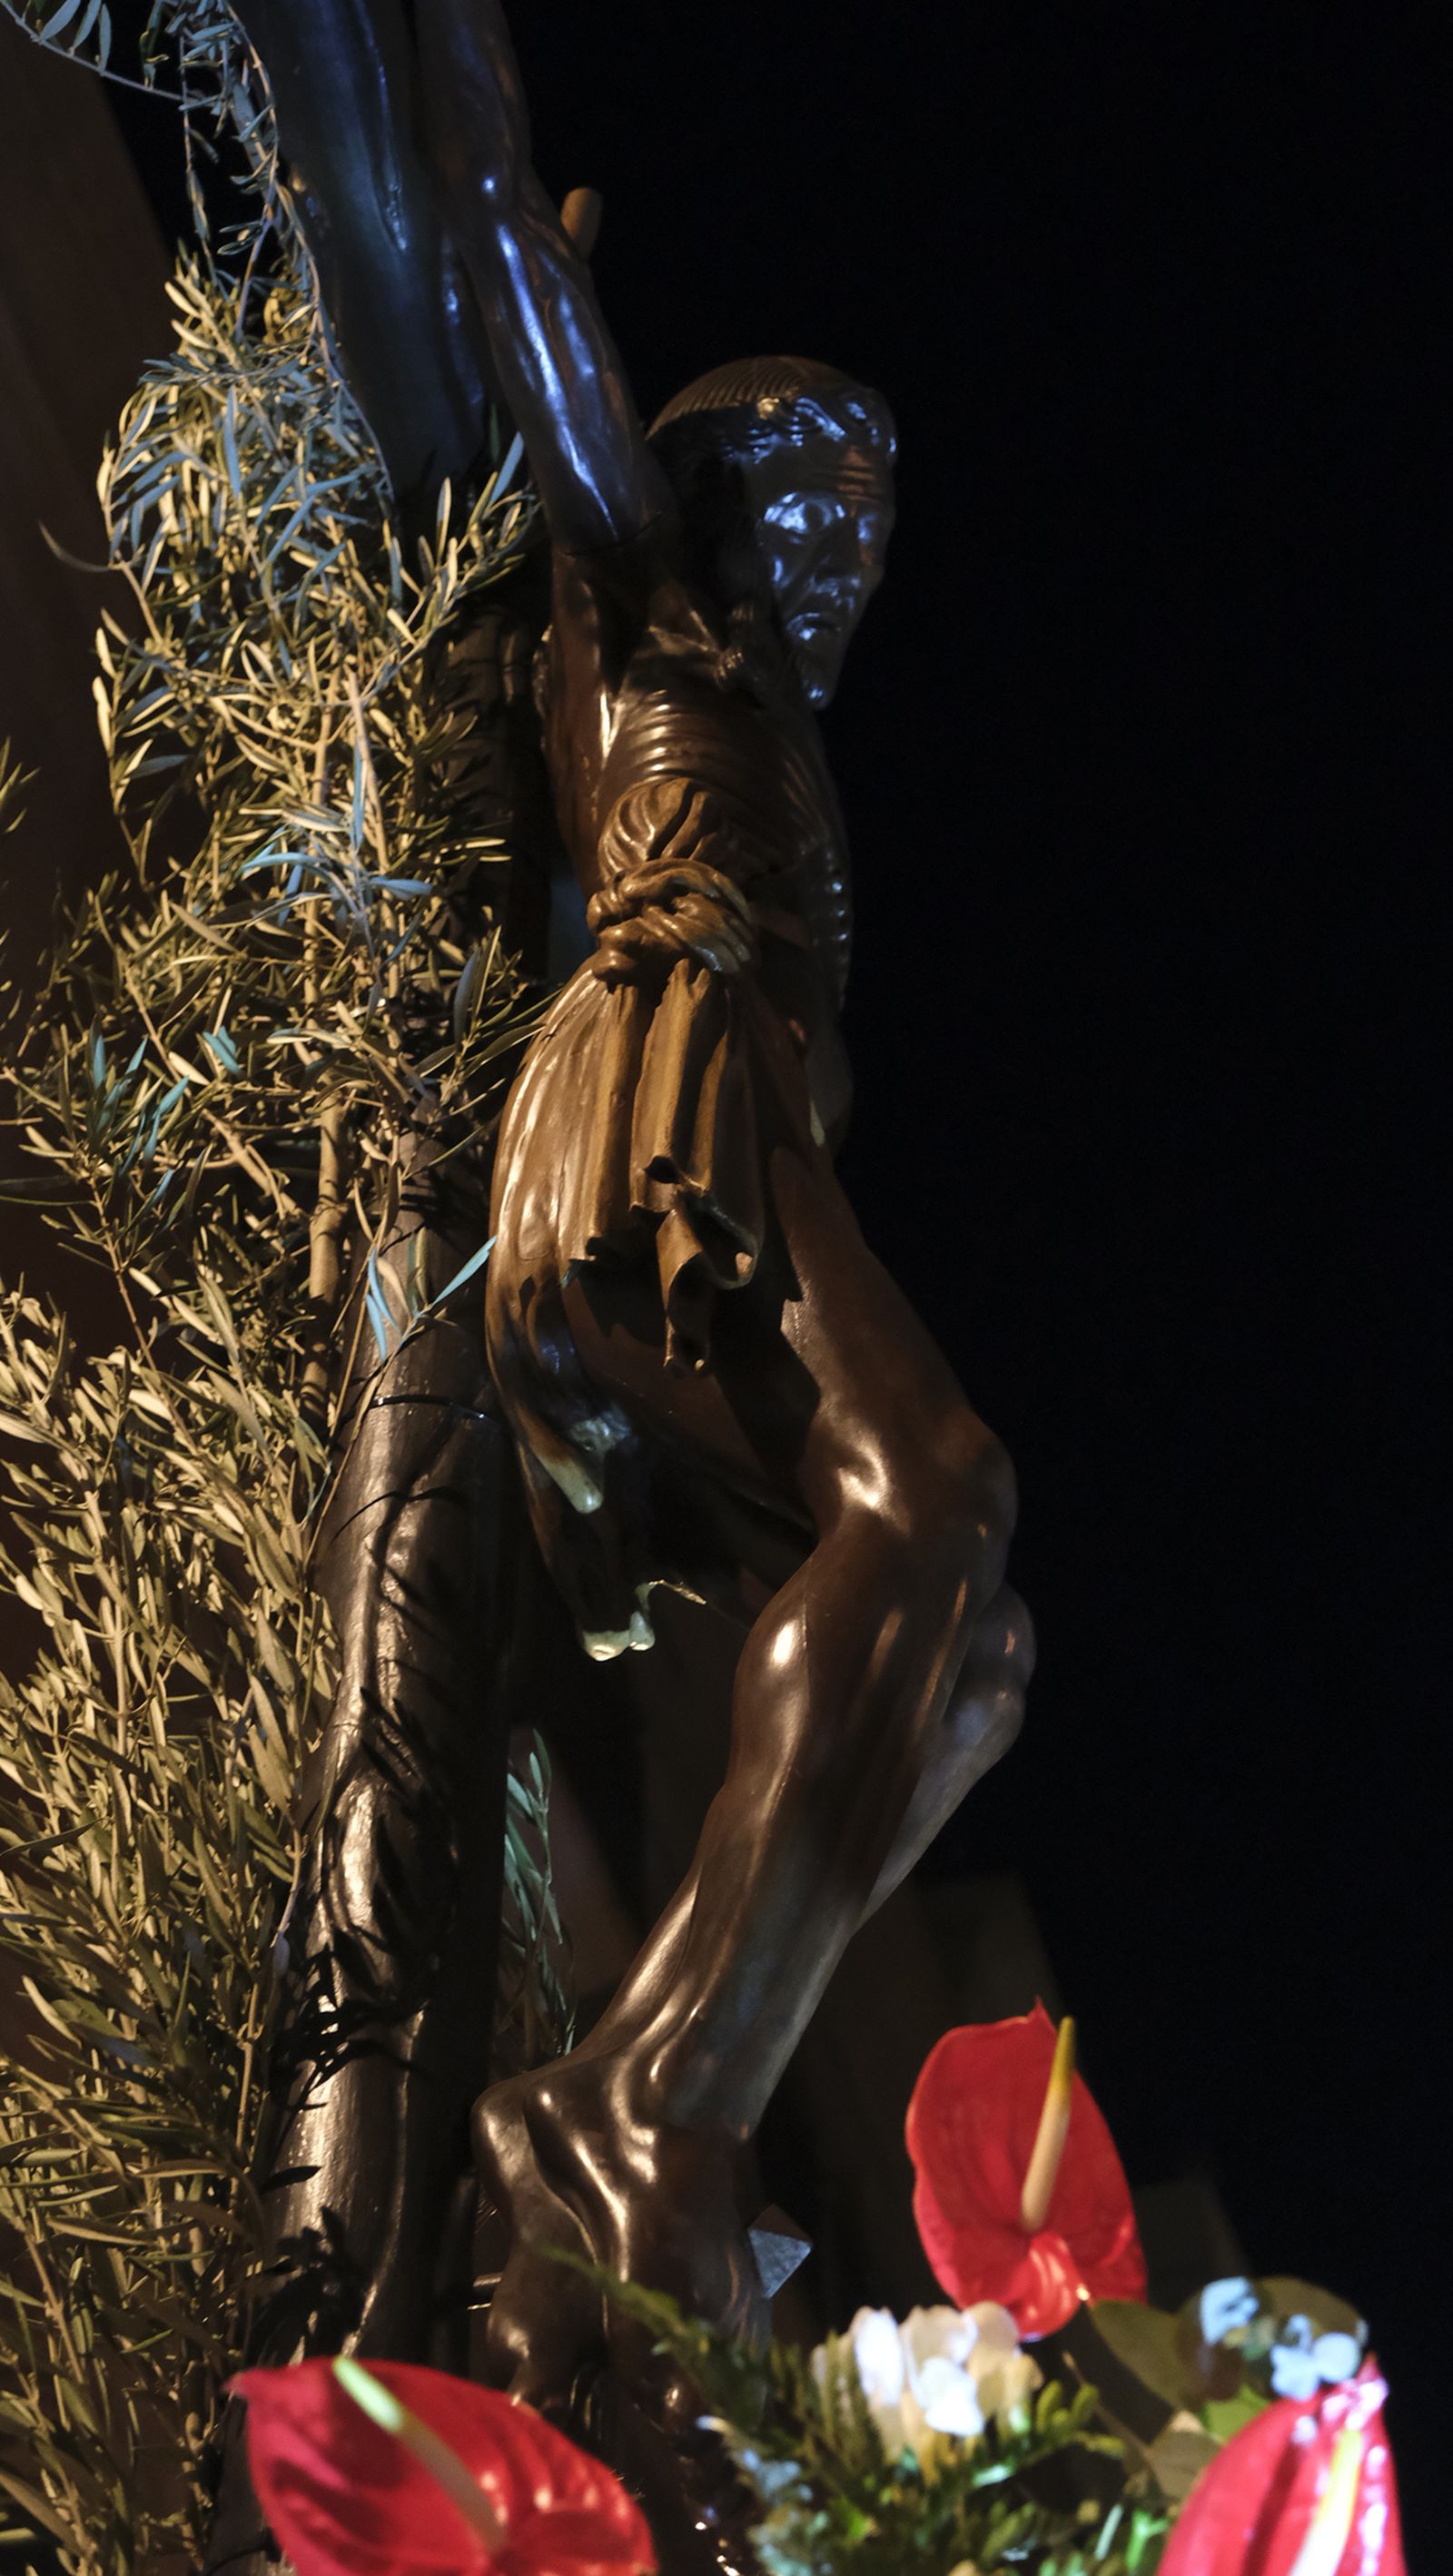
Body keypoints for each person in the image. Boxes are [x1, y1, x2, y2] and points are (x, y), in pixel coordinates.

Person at [406, 0, 1036, 2423]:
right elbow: (512, 287)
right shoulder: (644, 616)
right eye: (804, 492)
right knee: (944, 1489)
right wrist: (487, 148)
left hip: (740, 1126)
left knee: (967, 1669)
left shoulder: (743, 682)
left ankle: (643, 2072)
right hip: (670, 1128)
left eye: (867, 520)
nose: (840, 545)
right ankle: (652, 2099)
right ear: (697, 502)